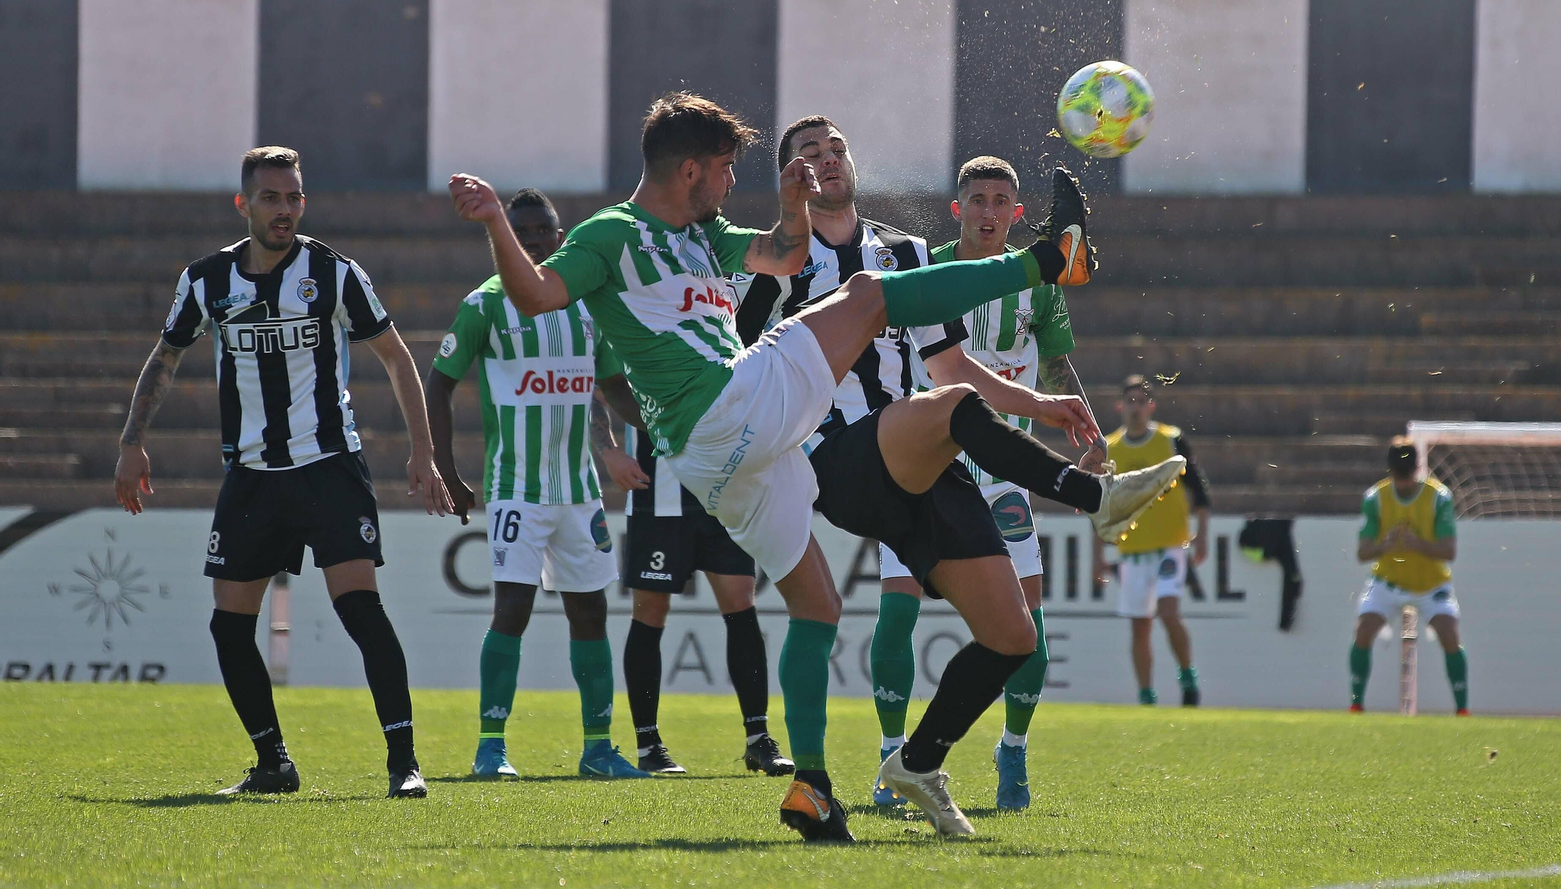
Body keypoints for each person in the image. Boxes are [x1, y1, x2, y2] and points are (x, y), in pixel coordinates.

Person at [449, 92, 1173, 842]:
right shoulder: (610, 234)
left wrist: (792, 211)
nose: (735, 182)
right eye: (728, 169)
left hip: (731, 457)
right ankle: (1051, 265)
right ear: (691, 169)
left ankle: (820, 790)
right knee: (868, 302)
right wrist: (498, 222)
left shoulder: (710, 235)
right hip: (735, 413)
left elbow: (782, 252)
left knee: (829, 607)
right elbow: (535, 295)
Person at [735, 116, 1186, 836]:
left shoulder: (903, 250)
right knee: (952, 412)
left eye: (835, 148)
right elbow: (742, 351)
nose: (825, 161)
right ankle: (1094, 499)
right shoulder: (773, 258)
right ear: (788, 176)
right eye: (806, 155)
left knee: (1014, 636)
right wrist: (785, 235)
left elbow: (947, 365)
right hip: (837, 453)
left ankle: (917, 761)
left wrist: (1042, 401)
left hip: (919, 451)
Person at [113, 146, 449, 798]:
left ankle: (403, 762)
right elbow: (165, 357)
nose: (285, 209)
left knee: (361, 611)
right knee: (229, 624)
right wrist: (132, 442)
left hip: (327, 467)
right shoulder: (207, 280)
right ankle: (273, 762)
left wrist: (422, 450)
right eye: (272, 197)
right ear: (245, 204)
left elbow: (396, 355)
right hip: (252, 475)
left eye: (294, 197)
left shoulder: (333, 272)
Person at [857, 155, 1088, 812]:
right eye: (977, 199)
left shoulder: (1038, 284)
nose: (989, 211)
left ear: (1017, 213)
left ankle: (1011, 749)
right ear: (958, 209)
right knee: (897, 612)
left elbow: (1059, 367)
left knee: (1029, 634)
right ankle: (890, 754)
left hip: (1003, 478)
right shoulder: (921, 267)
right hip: (920, 470)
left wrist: (1088, 433)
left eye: (1001, 201)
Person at [425, 188, 649, 780]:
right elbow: (438, 382)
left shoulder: (587, 306)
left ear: (559, 234)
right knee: (512, 611)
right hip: (516, 488)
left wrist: (661, 420)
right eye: (519, 232)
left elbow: (612, 387)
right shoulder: (486, 304)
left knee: (591, 614)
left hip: (580, 493)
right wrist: (446, 469)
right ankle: (491, 748)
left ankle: (598, 749)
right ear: (502, 238)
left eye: (541, 232)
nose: (531, 241)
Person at [615, 418, 794, 776]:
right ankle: (648, 745)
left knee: (741, 601)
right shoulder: (636, 358)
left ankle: (758, 738)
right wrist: (608, 451)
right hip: (657, 496)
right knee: (650, 610)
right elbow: (603, 392)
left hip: (722, 495)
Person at [1094, 375, 1210, 706]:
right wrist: (1097, 555)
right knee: (1139, 626)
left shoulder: (1171, 440)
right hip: (1131, 551)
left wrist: (1201, 536)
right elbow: (1100, 505)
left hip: (1170, 546)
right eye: (1129, 401)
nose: (1135, 408)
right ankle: (1146, 694)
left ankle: (1187, 678)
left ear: (1151, 407)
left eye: (1141, 402)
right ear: (1120, 406)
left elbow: (1199, 490)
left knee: (1169, 612)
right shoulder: (1110, 448)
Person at [1349, 438, 1468, 715]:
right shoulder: (1375, 498)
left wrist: (1418, 544)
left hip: (1431, 583)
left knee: (1450, 634)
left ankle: (1463, 709)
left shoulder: (1439, 497)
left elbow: (1449, 551)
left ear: (1418, 469)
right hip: (1388, 581)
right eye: (1398, 476)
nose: (1403, 483)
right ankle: (1356, 704)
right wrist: (1384, 546)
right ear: (1390, 471)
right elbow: (1362, 553)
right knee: (1363, 629)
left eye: (1407, 475)